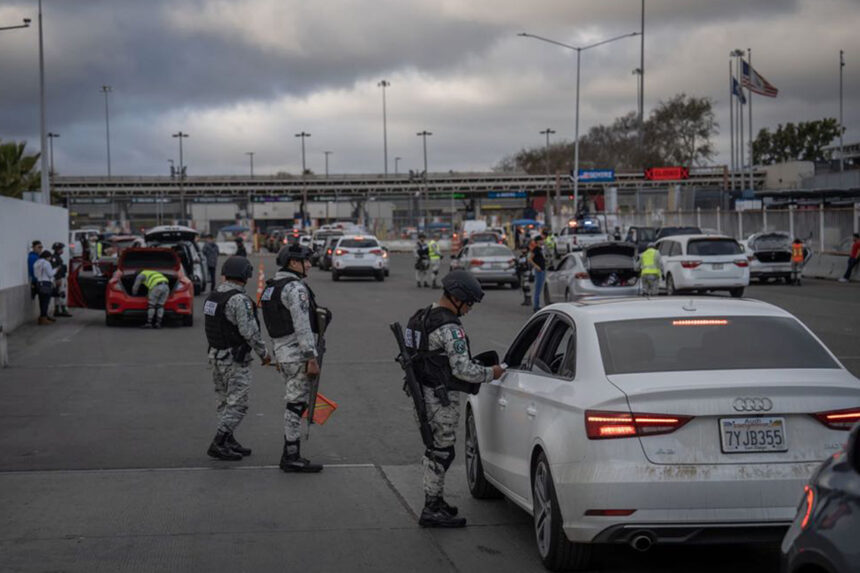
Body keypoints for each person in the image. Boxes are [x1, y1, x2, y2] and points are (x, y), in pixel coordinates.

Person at [405, 270, 504, 527]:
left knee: (436, 450)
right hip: (439, 399)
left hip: (421, 395)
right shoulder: (450, 327)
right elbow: (462, 369)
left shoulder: (420, 317)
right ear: (458, 298)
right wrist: (491, 373)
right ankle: (431, 507)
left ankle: (435, 502)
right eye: (469, 303)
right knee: (442, 453)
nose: (469, 309)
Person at [261, 244, 326, 473]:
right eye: (305, 260)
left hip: (283, 354)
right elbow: (302, 325)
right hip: (297, 354)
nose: (309, 264)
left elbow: (272, 324)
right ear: (293, 263)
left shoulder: (271, 287)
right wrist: (311, 357)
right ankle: (291, 455)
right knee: (296, 405)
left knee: (294, 401)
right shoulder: (295, 288)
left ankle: (291, 453)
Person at [204, 256, 271, 460]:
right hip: (234, 359)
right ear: (245, 275)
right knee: (238, 403)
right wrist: (264, 353)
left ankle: (229, 439)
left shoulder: (213, 296)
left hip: (216, 356)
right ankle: (219, 441)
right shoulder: (238, 300)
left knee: (225, 401)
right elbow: (249, 331)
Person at [33, 250, 57, 325]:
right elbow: (50, 274)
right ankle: (44, 318)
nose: (50, 259)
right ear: (47, 257)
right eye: (50, 257)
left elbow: (35, 274)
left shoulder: (36, 263)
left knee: (41, 301)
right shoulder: (46, 263)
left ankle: (42, 317)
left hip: (39, 283)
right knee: (46, 301)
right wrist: (56, 270)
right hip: (46, 283)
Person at [50, 242, 72, 317]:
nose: (62, 250)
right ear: (57, 249)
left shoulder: (57, 257)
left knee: (58, 294)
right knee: (62, 293)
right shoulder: (54, 258)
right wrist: (58, 278)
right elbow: (55, 269)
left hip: (60, 277)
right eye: (61, 249)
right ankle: (63, 309)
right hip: (59, 278)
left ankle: (57, 310)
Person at [529, 234, 547, 312]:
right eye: (541, 240)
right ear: (538, 241)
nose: (543, 241)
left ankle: (538, 304)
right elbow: (530, 259)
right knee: (538, 288)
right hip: (539, 270)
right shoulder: (536, 249)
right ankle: (536, 306)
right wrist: (536, 266)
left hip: (543, 269)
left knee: (540, 288)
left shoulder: (541, 249)